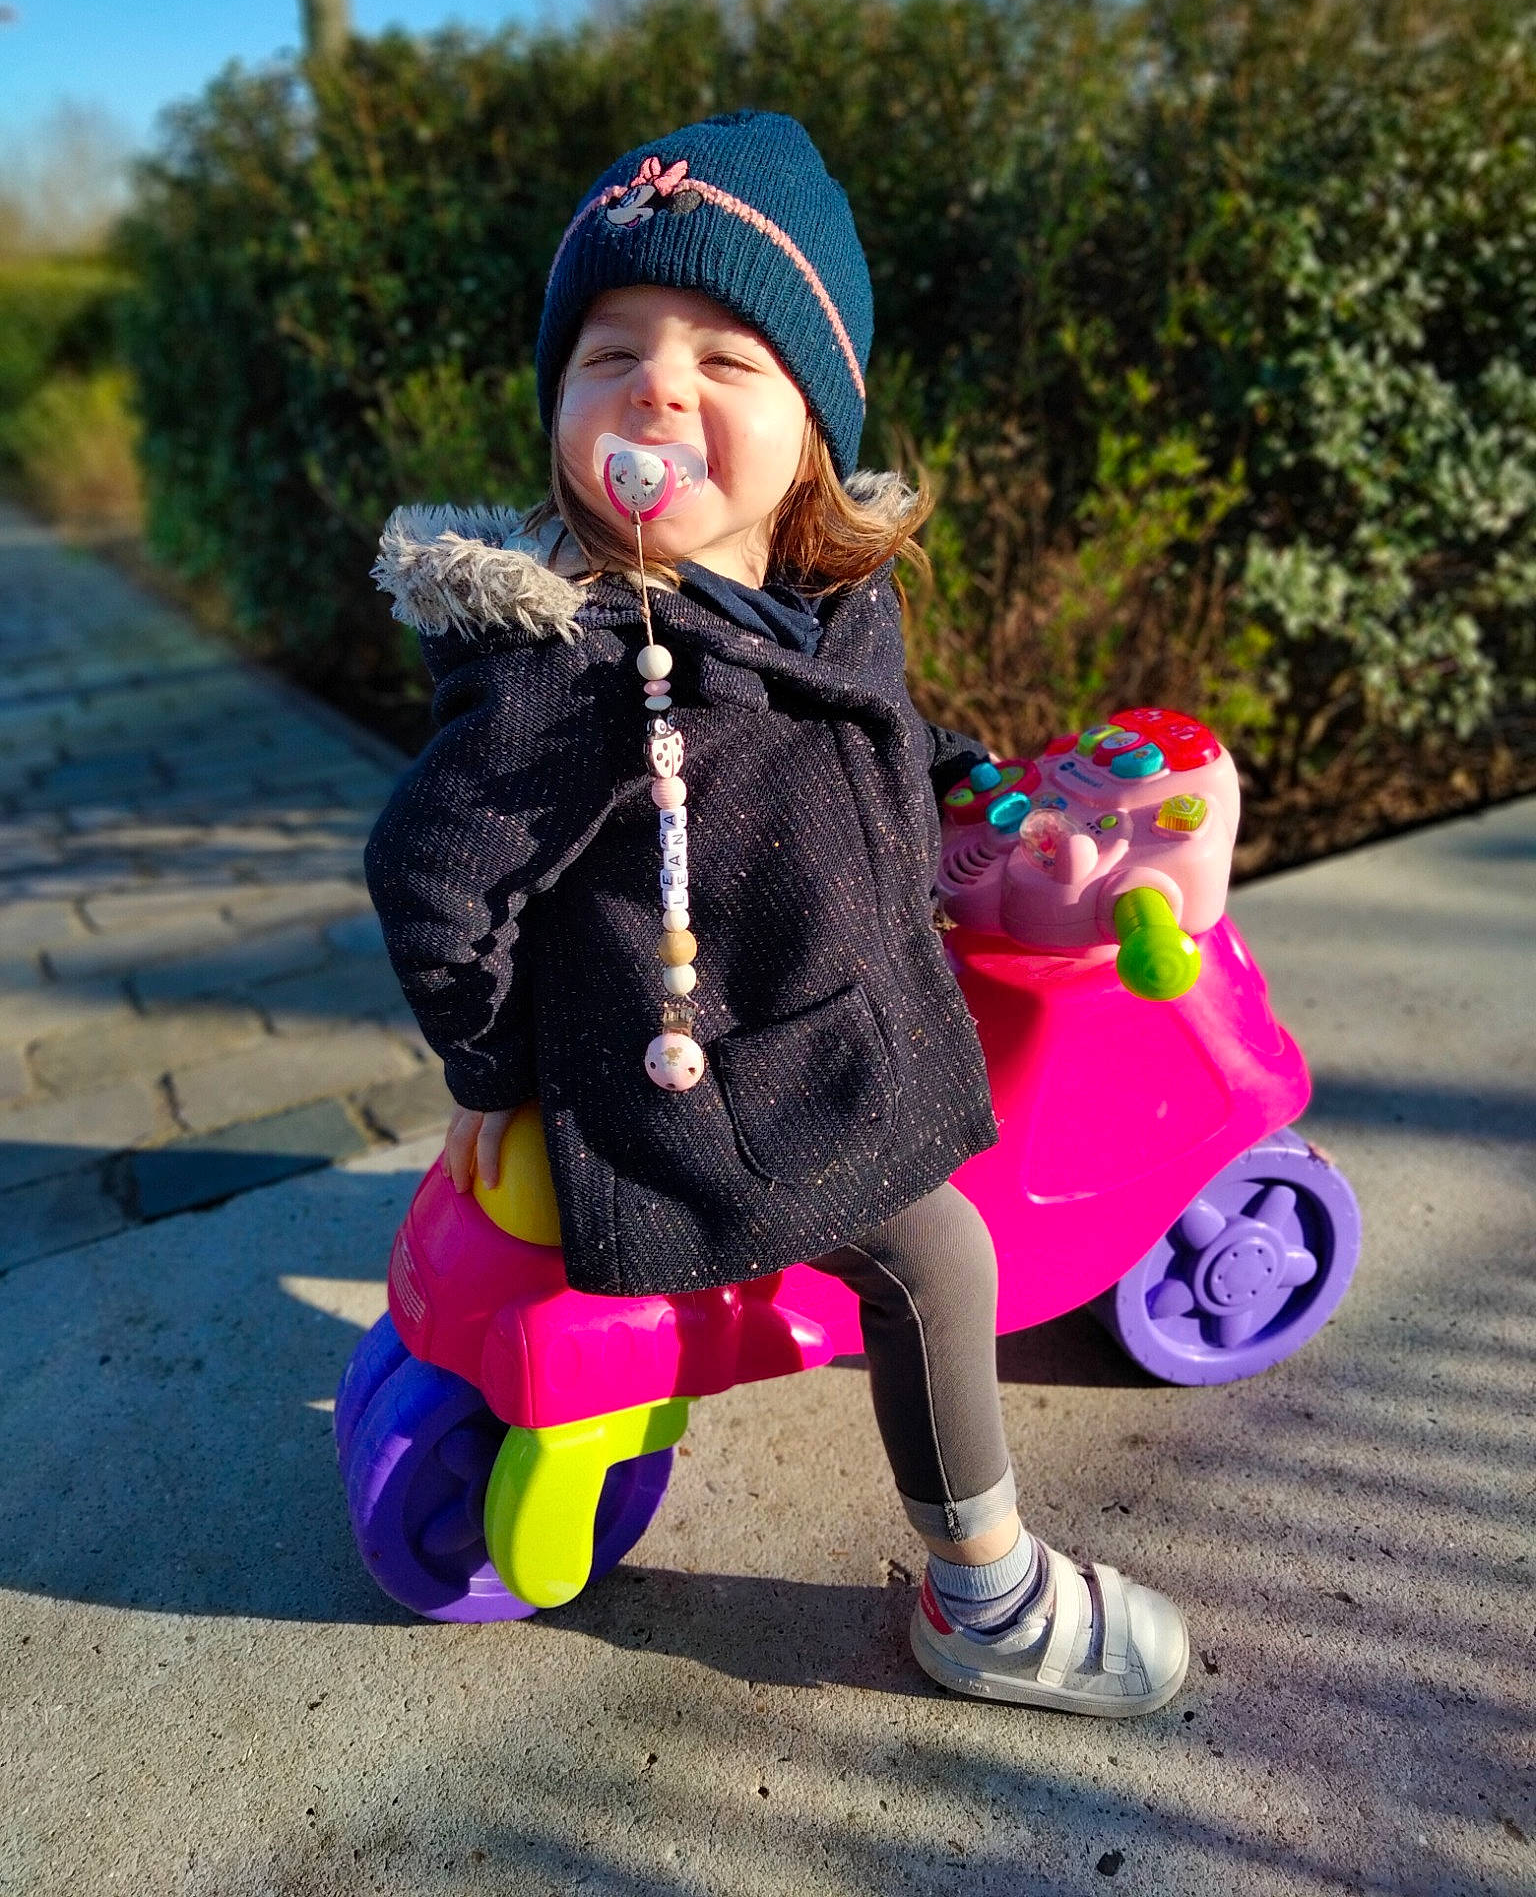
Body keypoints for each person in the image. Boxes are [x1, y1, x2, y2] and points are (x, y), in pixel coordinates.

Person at [365, 110, 1188, 1715]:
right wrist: (496, 1066)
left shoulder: (822, 598)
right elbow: (432, 876)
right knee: (942, 1253)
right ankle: (989, 1599)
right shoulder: (582, 671)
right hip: (718, 1087)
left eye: (724, 361)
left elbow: (869, 726)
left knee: (984, 1120)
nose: (657, 388)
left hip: (827, 1005)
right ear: (560, 417)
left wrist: (965, 784)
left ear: (812, 430)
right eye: (609, 353)